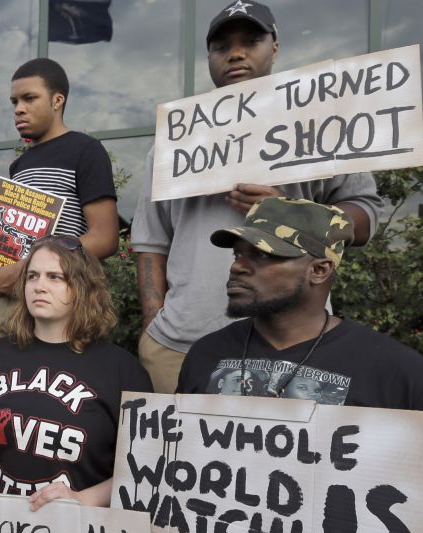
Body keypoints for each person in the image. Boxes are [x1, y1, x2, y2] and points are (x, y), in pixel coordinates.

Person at [162, 197, 423, 533]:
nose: (238, 266)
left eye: (262, 255)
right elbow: (179, 475)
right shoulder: (205, 355)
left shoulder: (397, 374)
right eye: (239, 253)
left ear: (319, 270)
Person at [131, 0, 386, 395]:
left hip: (294, 345)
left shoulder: (320, 123)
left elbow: (366, 217)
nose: (235, 53)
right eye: (221, 47)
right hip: (179, 346)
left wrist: (290, 213)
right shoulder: (175, 141)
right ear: (209, 57)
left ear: (275, 47)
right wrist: (153, 323)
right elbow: (150, 242)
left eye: (251, 41)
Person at [0, 235, 151, 508]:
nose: (39, 286)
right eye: (32, 276)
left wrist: (81, 499)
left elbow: (142, 470)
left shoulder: (123, 371)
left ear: (82, 287)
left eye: (55, 277)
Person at [0, 58, 120, 343]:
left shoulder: (85, 150)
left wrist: (24, 270)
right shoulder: (20, 165)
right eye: (14, 101)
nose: (19, 108)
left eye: (29, 98)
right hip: (8, 310)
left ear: (58, 100)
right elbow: (16, 244)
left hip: (59, 308)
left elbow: (105, 238)